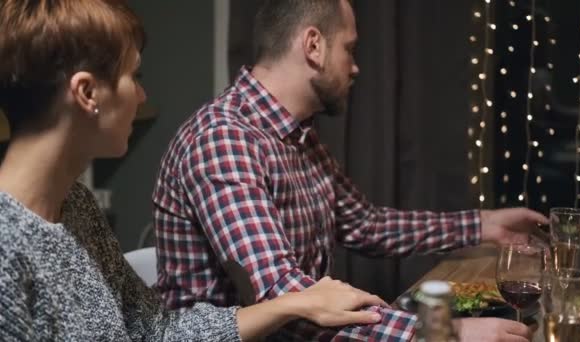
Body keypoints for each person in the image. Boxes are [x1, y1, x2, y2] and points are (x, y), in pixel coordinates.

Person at [153, 0, 547, 340]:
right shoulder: (225, 139)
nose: (355, 67)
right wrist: (441, 331)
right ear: (313, 46)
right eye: (350, 49)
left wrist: (484, 225)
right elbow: (282, 295)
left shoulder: (296, 136)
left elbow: (366, 224)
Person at [0, 1, 392, 341]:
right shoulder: (7, 246)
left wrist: (292, 304)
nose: (142, 95)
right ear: (87, 93)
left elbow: (155, 332)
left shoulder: (75, 204)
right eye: (134, 76)